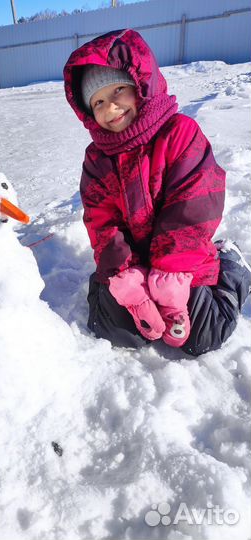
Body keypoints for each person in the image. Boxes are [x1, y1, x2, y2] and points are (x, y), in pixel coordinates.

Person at [63, 29, 251, 356]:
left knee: (203, 335)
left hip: (180, 257)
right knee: (120, 332)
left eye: (118, 89)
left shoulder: (180, 134)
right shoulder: (97, 159)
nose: (111, 107)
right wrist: (125, 276)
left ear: (141, 85)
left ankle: (231, 268)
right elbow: (101, 222)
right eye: (98, 102)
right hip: (132, 263)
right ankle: (106, 287)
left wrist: (172, 272)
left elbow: (194, 204)